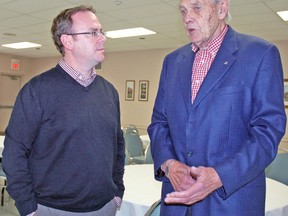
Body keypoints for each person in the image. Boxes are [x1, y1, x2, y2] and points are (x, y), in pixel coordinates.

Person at [148, 0, 286, 215]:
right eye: (183, 11)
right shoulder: (172, 62)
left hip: (231, 201)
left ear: (222, 8)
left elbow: (268, 131)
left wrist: (220, 175)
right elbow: (159, 123)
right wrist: (169, 163)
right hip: (177, 202)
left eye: (197, 8)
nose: (187, 18)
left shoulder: (260, 54)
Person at [2, 5, 125, 216]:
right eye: (93, 32)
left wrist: (117, 192)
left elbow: (118, 147)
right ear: (67, 41)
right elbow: (14, 153)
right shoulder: (37, 90)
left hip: (105, 207)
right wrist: (28, 208)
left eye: (101, 31)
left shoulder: (109, 92)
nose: (103, 38)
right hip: (51, 209)